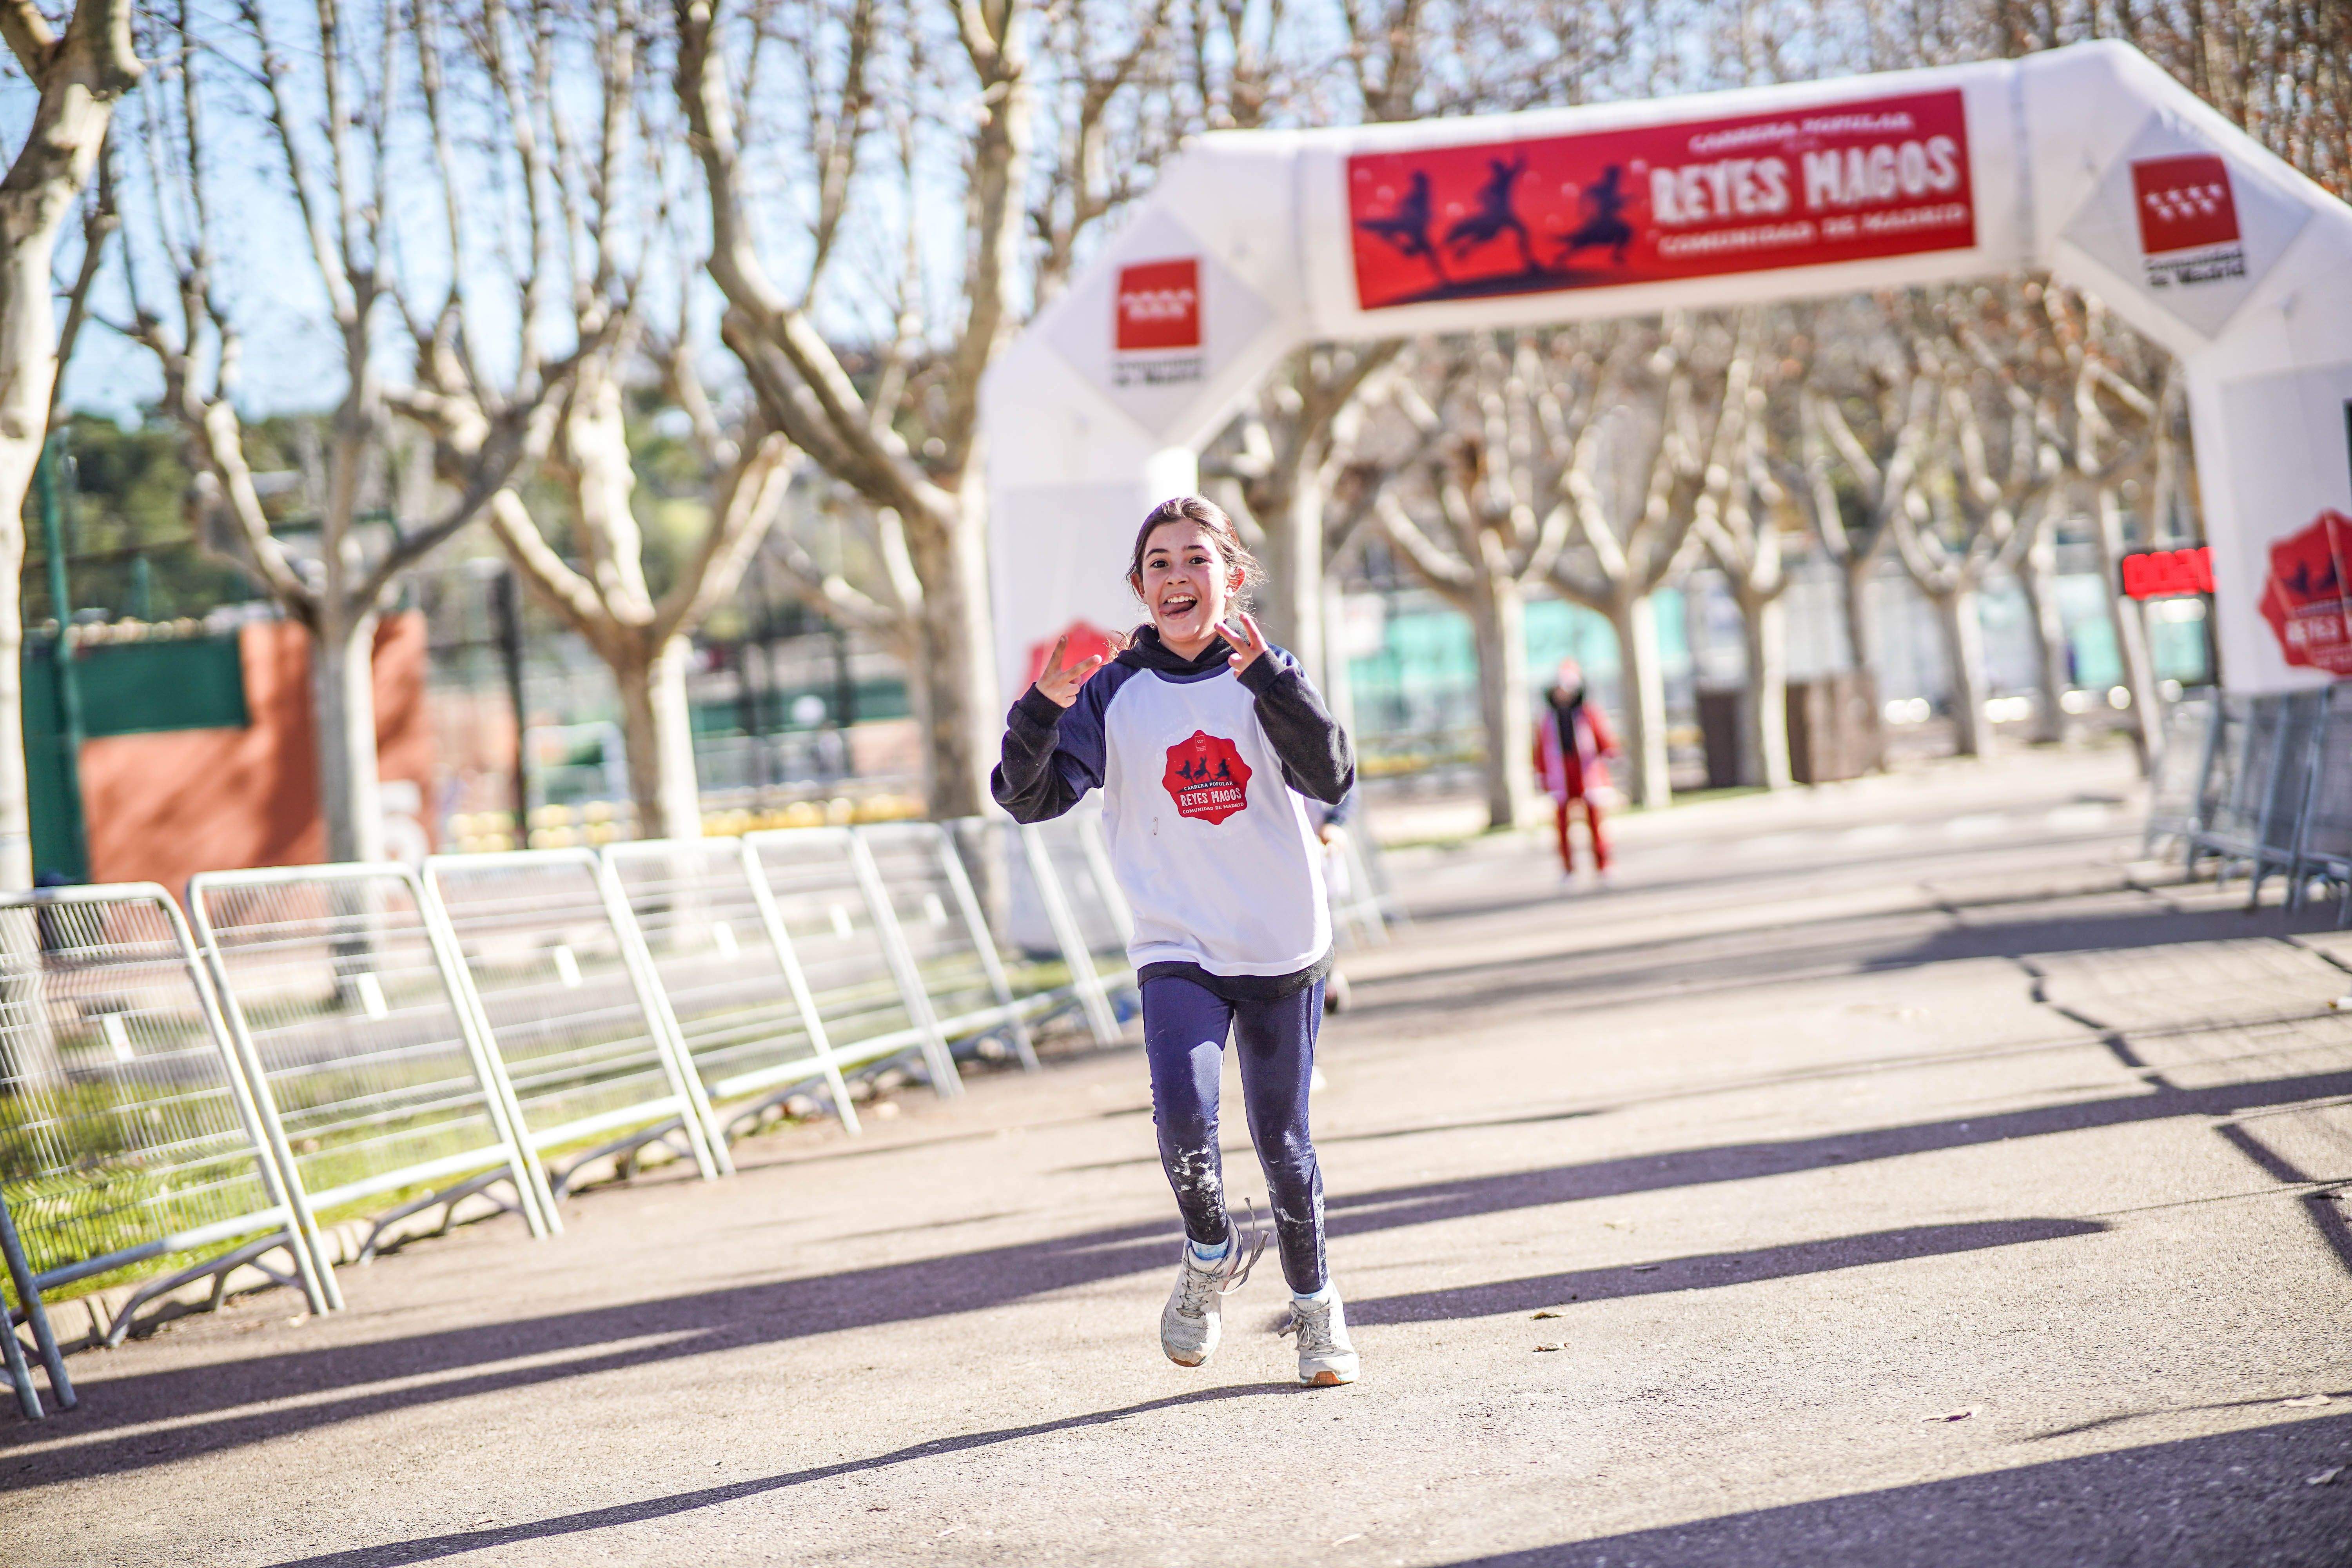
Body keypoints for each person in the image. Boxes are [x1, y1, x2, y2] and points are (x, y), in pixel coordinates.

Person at [993, 495, 1359, 1387]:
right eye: (1158, 563)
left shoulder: (1265, 671)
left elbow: (1331, 772)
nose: (1176, 576)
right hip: (1177, 943)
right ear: (1139, 586)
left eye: (1195, 559)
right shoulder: (1114, 687)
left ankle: (1317, 1311)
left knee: (1285, 1144)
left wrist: (1273, 678)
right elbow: (1027, 797)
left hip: (1279, 942)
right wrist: (1040, 710)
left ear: (1230, 577)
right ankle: (1208, 1252)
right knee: (1185, 1122)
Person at [1534, 658, 1616, 884]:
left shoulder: (1588, 713)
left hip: (1586, 771)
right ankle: (1568, 869)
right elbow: (1541, 748)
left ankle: (1603, 865)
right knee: (1562, 825)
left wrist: (1610, 753)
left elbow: (1603, 739)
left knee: (1595, 821)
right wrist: (1541, 774)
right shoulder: (1548, 719)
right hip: (1560, 773)